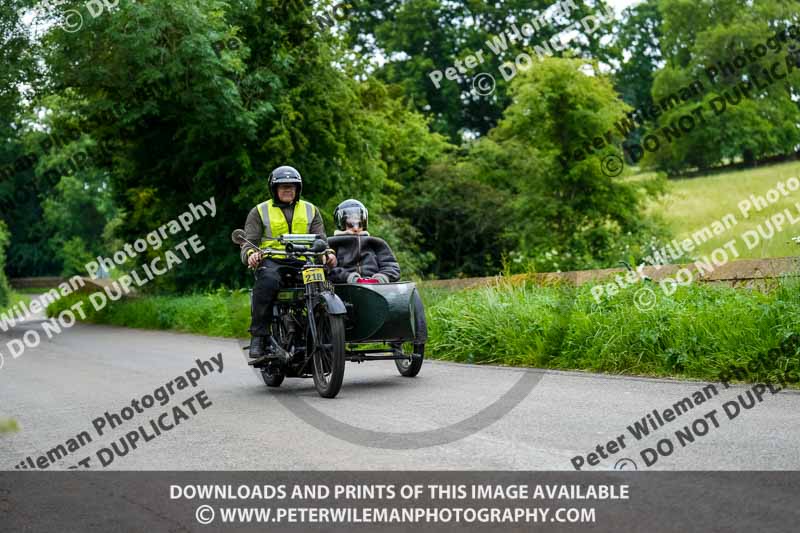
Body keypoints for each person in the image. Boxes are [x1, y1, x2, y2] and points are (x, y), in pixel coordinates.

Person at [240, 166, 336, 360]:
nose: (288, 190)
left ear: (298, 189)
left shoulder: (311, 210)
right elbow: (248, 242)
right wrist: (251, 254)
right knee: (267, 281)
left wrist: (328, 253)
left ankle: (328, 333)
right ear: (274, 189)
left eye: (292, 186)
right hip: (272, 260)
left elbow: (322, 240)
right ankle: (259, 336)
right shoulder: (259, 211)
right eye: (283, 186)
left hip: (304, 261)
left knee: (325, 284)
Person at [328, 199, 400, 284]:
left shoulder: (376, 243)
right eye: (350, 224)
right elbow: (328, 270)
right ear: (342, 224)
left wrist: (381, 278)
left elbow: (391, 266)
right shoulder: (331, 244)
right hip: (344, 289)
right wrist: (350, 278)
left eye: (359, 224)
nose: (355, 228)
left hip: (376, 288)